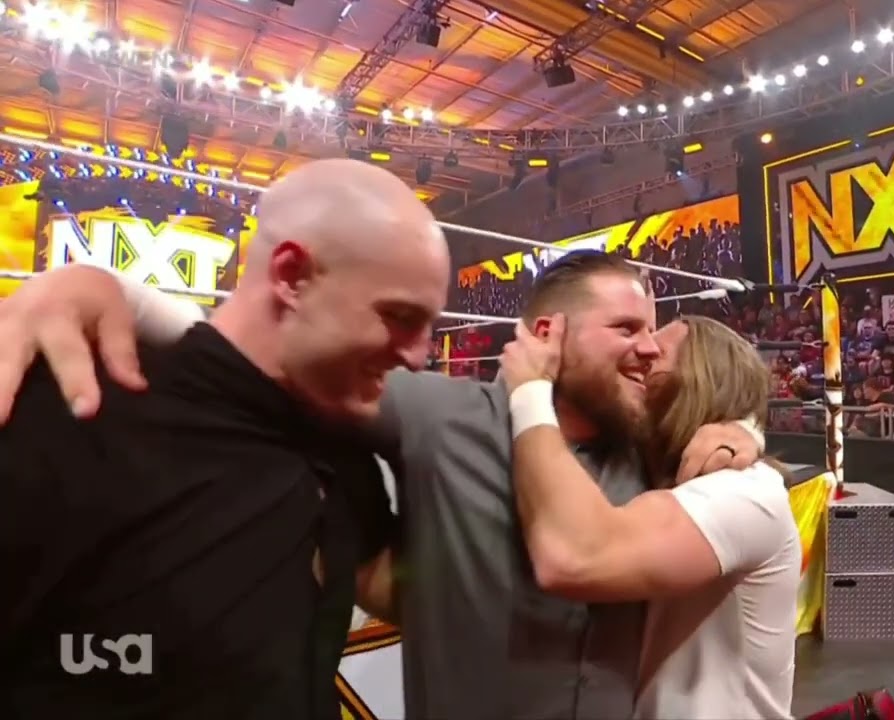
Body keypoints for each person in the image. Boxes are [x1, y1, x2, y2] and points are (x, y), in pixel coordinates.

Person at [0, 249, 763, 719]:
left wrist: (747, 431)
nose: (648, 352)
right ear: (546, 335)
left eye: (651, 332)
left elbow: (742, 456)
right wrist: (94, 286)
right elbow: (261, 364)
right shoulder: (442, 414)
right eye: (626, 329)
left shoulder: (653, 447)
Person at [0, 158, 449, 717]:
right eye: (400, 316)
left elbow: (388, 581)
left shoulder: (339, 444)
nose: (419, 355)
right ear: (292, 276)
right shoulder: (79, 404)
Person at [500, 313, 799, 719]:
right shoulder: (644, 474)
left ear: (697, 380)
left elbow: (576, 556)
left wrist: (530, 391)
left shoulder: (746, 490)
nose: (640, 356)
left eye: (656, 355)